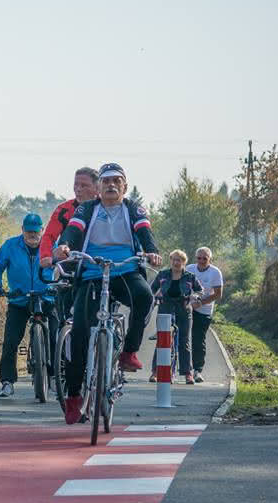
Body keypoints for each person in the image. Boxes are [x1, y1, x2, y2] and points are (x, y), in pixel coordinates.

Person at [54, 162, 162, 424]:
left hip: (124, 271)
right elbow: (74, 229)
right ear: (99, 188)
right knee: (79, 330)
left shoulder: (133, 209)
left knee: (144, 296)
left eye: (117, 181)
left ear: (124, 186)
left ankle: (128, 353)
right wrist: (66, 246)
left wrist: (151, 251)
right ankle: (74, 397)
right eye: (106, 182)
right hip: (92, 272)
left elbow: (144, 232)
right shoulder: (88, 208)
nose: (111, 186)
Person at [0, 213, 59, 397]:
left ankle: (53, 377)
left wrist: (62, 285)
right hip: (19, 299)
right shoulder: (10, 246)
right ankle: (7, 382)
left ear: (42, 231)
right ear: (22, 231)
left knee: (55, 336)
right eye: (28, 232)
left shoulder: (52, 246)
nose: (32, 236)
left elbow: (64, 266)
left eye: (36, 232)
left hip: (46, 298)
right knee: (11, 341)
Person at [40, 167, 100, 326]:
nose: (78, 190)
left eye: (84, 185)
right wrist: (46, 256)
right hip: (70, 262)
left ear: (97, 187)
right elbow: (49, 235)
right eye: (76, 185)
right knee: (64, 309)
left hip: (97, 263)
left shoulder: (105, 208)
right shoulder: (64, 209)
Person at [150, 250, 203, 384]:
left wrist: (195, 296)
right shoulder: (163, 274)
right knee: (162, 340)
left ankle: (187, 374)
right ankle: (155, 372)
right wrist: (154, 297)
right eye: (173, 259)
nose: (175, 262)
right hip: (165, 307)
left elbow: (199, 290)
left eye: (179, 260)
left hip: (183, 309)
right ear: (170, 260)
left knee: (184, 341)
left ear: (184, 262)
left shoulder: (190, 276)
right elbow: (151, 289)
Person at [185, 247, 224, 383]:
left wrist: (201, 303)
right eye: (199, 258)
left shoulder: (215, 272)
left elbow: (218, 294)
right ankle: (182, 370)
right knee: (182, 338)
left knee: (198, 338)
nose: (201, 261)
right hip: (188, 307)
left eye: (204, 258)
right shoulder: (189, 268)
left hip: (204, 310)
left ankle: (197, 370)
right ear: (195, 258)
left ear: (209, 259)